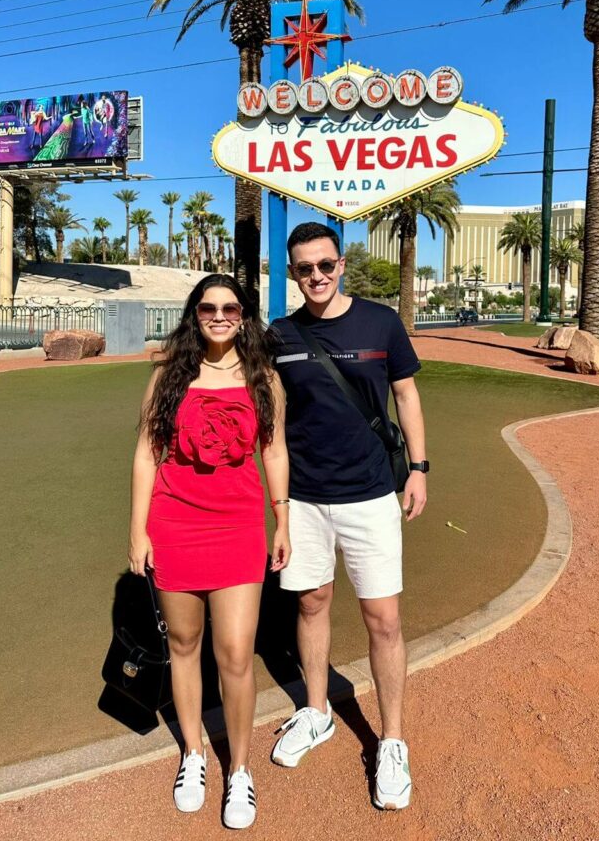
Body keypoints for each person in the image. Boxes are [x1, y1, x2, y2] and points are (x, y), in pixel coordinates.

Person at [267, 222, 428, 812]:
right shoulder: (279, 333)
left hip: (370, 495)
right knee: (310, 602)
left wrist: (420, 467)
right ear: (293, 273)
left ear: (341, 263)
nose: (316, 276)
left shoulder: (381, 322)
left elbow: (406, 395)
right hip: (306, 498)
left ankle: (391, 741)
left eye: (325, 265)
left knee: (382, 619)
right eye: (304, 268)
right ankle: (317, 711)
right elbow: (273, 417)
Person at [129, 273, 290, 829]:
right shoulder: (167, 374)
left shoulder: (263, 376)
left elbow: (274, 452)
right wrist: (138, 531)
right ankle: (194, 753)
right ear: (193, 314)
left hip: (238, 525)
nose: (218, 315)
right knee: (183, 642)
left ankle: (239, 770)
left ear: (243, 315)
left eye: (229, 307)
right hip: (175, 523)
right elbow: (147, 455)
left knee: (236, 653)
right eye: (207, 308)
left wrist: (282, 519)